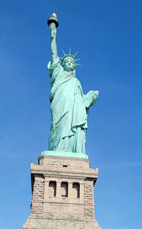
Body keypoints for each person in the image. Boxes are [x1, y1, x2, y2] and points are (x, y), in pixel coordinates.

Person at [47, 17, 99, 154]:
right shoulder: (58, 73)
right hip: (60, 104)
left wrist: (89, 98)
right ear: (62, 64)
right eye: (67, 61)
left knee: (71, 125)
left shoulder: (76, 82)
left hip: (72, 110)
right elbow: (54, 54)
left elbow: (82, 102)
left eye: (72, 61)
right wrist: (53, 35)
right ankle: (58, 149)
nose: (69, 62)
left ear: (74, 65)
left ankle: (70, 150)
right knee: (58, 126)